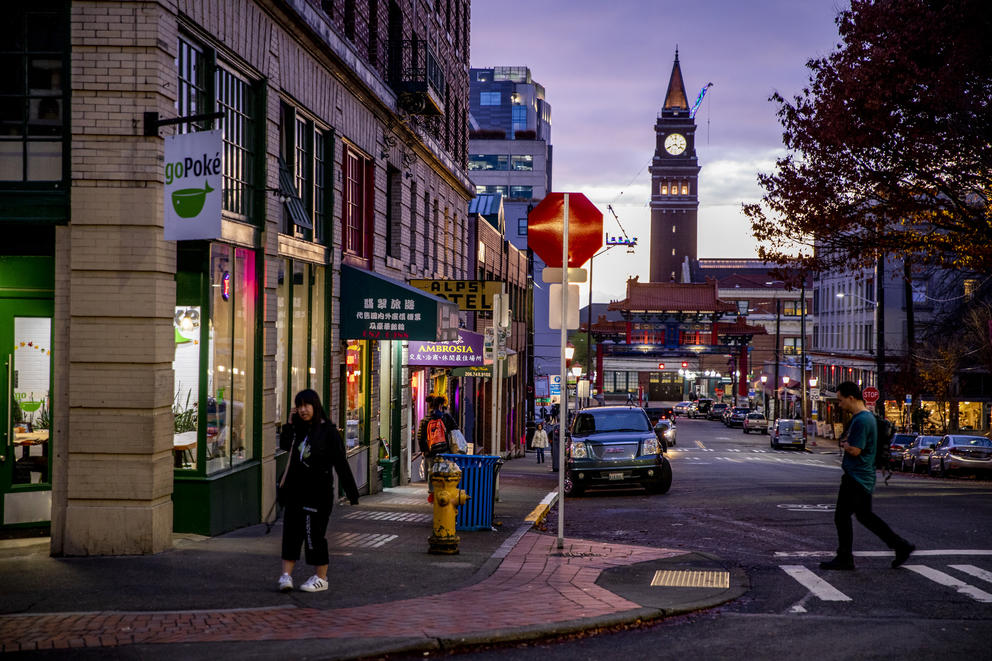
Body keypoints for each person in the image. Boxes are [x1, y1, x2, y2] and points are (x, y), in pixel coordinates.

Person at [820, 381, 915, 571]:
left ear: (851, 398)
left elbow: (856, 450)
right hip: (862, 475)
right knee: (864, 516)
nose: (840, 405)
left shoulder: (862, 420)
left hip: (856, 476)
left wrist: (845, 445)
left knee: (842, 516)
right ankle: (900, 546)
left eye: (841, 400)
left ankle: (845, 557)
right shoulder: (866, 417)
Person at [277, 389, 359, 593]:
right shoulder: (298, 429)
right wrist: (289, 423)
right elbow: (285, 445)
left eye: (307, 405)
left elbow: (340, 462)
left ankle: (321, 578)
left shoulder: (328, 431)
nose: (303, 410)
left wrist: (351, 492)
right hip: (295, 491)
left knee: (314, 535)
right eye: (299, 406)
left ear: (316, 406)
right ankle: (286, 575)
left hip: (318, 494)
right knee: (291, 533)